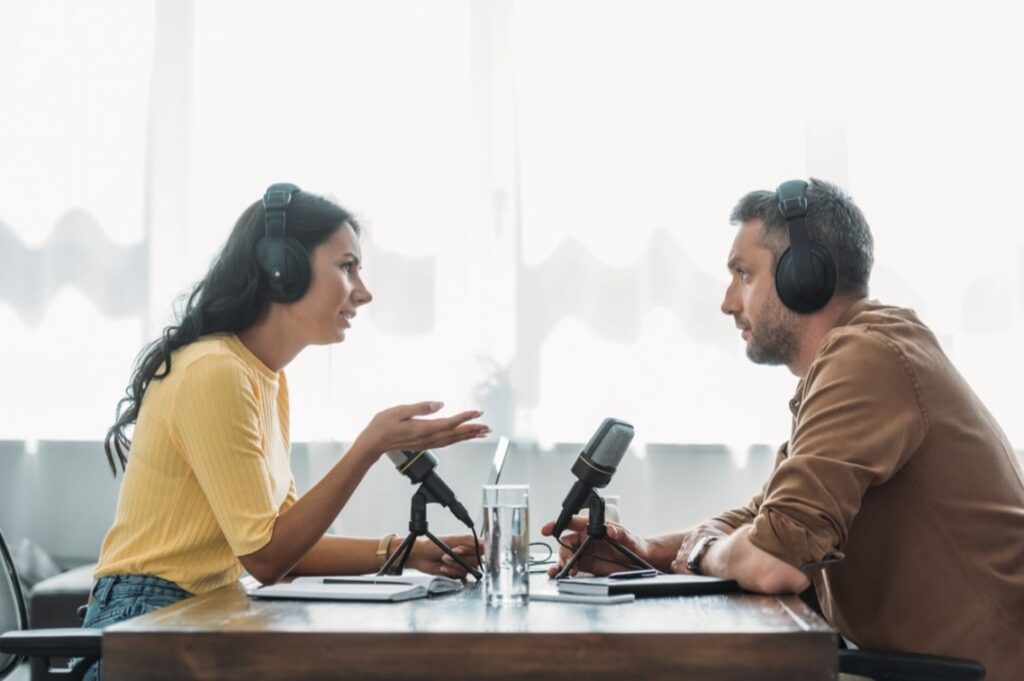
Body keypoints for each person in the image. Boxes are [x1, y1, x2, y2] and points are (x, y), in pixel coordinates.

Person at [543, 179, 1024, 680]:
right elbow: (770, 515)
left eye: (743, 274)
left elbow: (775, 559)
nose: (728, 302)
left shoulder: (868, 359)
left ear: (804, 275)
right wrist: (643, 551)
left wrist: (702, 552)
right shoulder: (856, 359)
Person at [81, 184, 489, 678]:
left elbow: (289, 547)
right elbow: (268, 558)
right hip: (149, 621)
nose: (364, 291)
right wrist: (370, 445)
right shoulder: (214, 372)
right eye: (346, 266)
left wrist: (412, 552)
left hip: (201, 615)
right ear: (283, 268)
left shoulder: (265, 379)